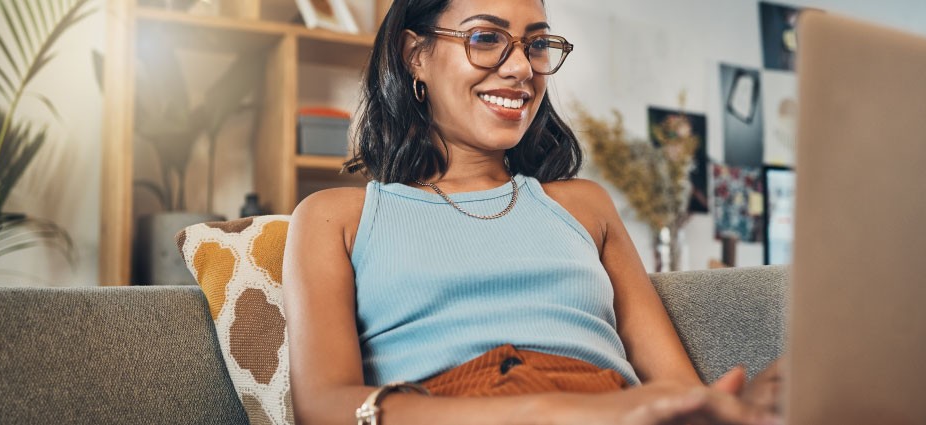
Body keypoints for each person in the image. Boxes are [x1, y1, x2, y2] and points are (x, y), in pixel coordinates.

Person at [283, 0, 781, 424]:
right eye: (486, 37)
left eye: (536, 45)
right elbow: (325, 407)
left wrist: (741, 407)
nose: (521, 68)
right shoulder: (334, 219)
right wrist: (543, 410)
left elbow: (676, 388)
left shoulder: (584, 206)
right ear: (416, 54)